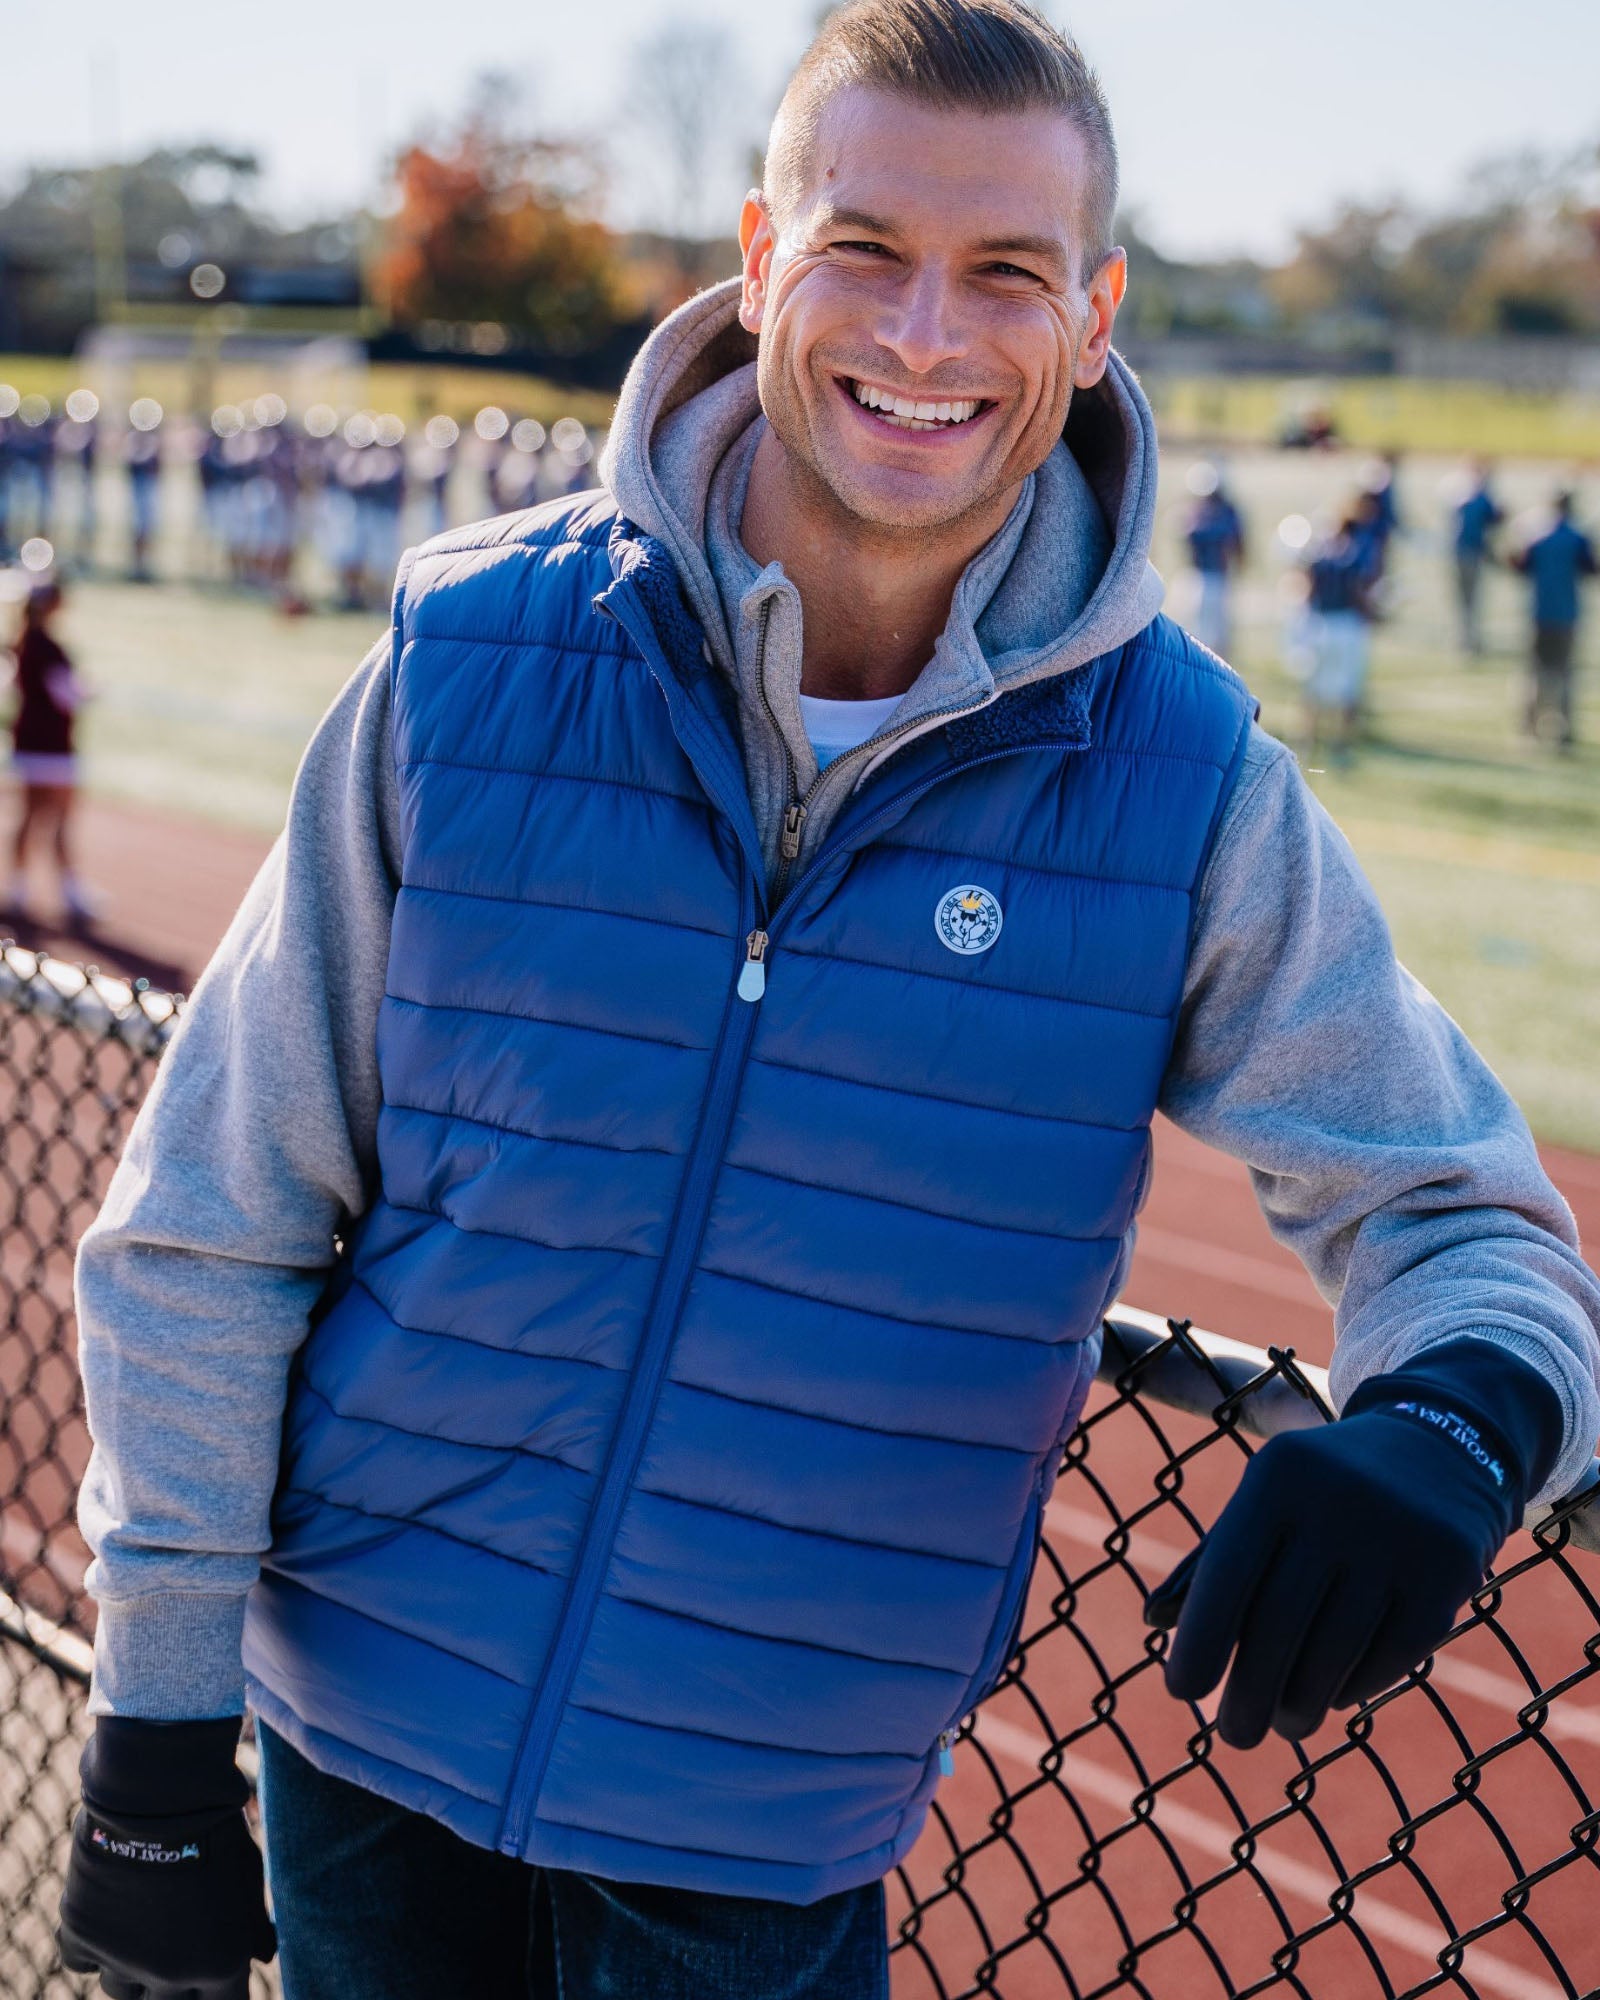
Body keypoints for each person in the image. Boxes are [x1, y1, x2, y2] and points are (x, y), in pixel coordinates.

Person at [60, 7, 1600, 1999]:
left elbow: (1460, 1216)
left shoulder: (1188, 787)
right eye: (862, 248)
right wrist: (156, 1721)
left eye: (1006, 274)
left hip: (755, 1837)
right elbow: (213, 1206)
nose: (927, 334)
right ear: (758, 257)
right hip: (350, 1762)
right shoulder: (467, 655)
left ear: (1095, 312)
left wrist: (1449, 1422)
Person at [5, 577, 100, 923]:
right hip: (55, 749)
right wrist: (88, 690)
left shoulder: (22, 643)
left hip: (27, 744)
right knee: (59, 819)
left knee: (29, 816)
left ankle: (16, 887)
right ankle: (71, 892)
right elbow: (67, 696)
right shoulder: (49, 648)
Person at [1511, 491, 1596, 750]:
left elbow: (1519, 566)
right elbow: (1591, 569)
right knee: (1565, 673)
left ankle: (1529, 728)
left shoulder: (1537, 537)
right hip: (1567, 614)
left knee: (1535, 672)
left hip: (1539, 613)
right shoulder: (1577, 538)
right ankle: (1563, 731)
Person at [1300, 505, 1378, 761]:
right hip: (1345, 624)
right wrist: (1373, 614)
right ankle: (1341, 744)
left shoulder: (1320, 551)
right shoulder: (1355, 553)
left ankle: (1308, 739)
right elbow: (1358, 590)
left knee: (1314, 685)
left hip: (1319, 623)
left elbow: (1308, 589)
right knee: (1348, 688)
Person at [1181, 460, 1244, 657]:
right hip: (1198, 574)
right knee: (1198, 625)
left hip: (1219, 575)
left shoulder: (1227, 513)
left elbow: (1237, 544)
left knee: (1219, 627)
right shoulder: (1194, 512)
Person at [1452, 461, 1502, 658]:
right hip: (1472, 552)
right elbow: (1494, 520)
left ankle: (1464, 636)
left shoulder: (1460, 496)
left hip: (1458, 551)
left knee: (1463, 597)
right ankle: (1469, 638)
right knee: (1471, 597)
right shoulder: (1482, 498)